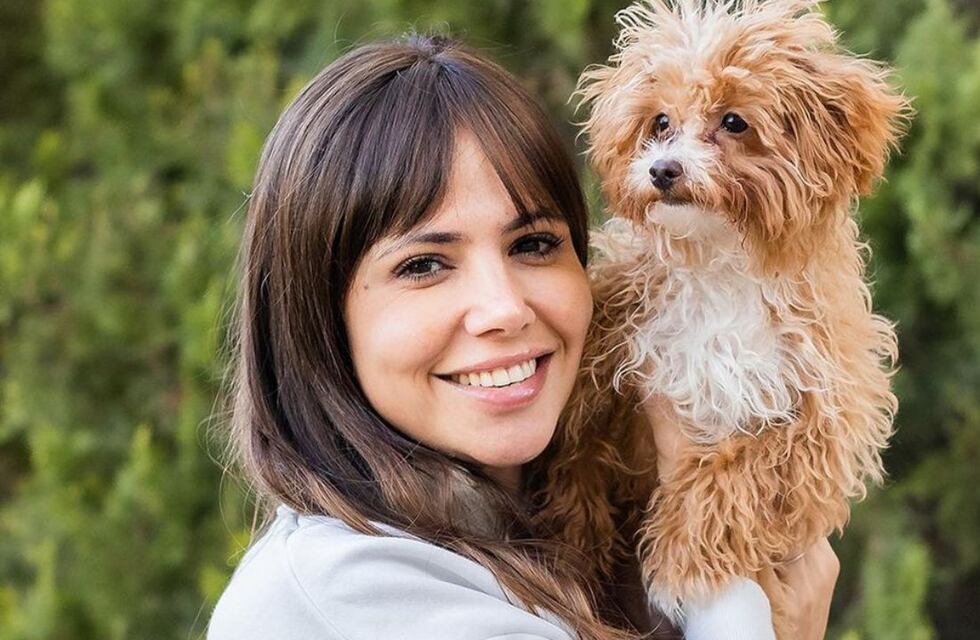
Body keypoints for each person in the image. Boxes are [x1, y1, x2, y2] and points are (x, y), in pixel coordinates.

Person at [207, 34, 839, 640]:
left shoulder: (563, 533)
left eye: (534, 245)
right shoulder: (338, 597)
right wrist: (730, 602)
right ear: (315, 308)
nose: (504, 308)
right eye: (424, 264)